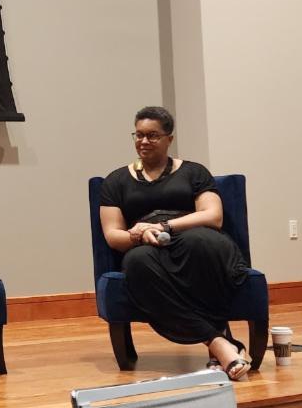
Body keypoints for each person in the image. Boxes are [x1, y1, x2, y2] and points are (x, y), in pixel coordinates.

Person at [98, 106, 251, 380]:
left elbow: (213, 216)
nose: (144, 141)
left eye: (153, 135)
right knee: (137, 262)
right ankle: (220, 343)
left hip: (194, 238)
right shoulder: (115, 181)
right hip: (148, 248)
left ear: (169, 138)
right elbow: (113, 235)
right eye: (139, 135)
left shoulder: (194, 172)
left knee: (199, 244)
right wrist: (137, 234)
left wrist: (164, 226)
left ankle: (219, 345)